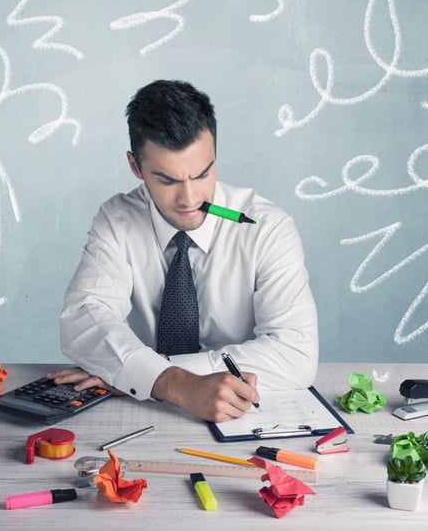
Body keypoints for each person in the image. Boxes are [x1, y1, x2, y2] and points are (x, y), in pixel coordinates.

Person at [49, 80, 318, 422]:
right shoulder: (116, 220)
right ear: (136, 167)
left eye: (202, 174)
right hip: (137, 414)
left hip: (244, 414)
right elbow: (84, 319)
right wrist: (173, 383)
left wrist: (147, 376)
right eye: (167, 180)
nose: (190, 200)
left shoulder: (267, 227)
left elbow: (295, 355)